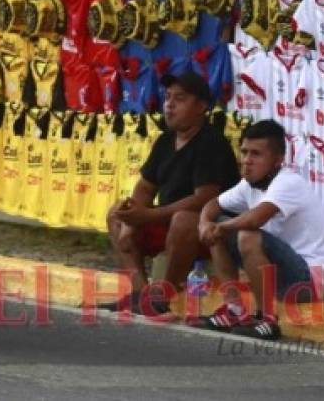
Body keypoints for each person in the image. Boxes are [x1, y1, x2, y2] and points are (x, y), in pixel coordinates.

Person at [103, 71, 240, 316]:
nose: (169, 105)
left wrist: (148, 216)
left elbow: (204, 198)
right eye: (167, 98)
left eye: (179, 99)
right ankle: (141, 294)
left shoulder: (211, 142)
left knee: (184, 219)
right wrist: (131, 221)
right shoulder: (166, 140)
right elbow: (145, 187)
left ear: (201, 106)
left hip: (211, 230)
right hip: (168, 222)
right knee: (116, 212)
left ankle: (163, 295)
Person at [195, 119, 324, 340]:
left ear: (278, 160)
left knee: (246, 234)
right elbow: (212, 205)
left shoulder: (288, 182)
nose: (247, 161)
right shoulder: (248, 185)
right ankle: (234, 310)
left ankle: (267, 319)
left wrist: (218, 227)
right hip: (280, 274)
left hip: (307, 279)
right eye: (244, 152)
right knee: (219, 231)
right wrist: (205, 224)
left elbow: (254, 220)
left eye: (256, 154)